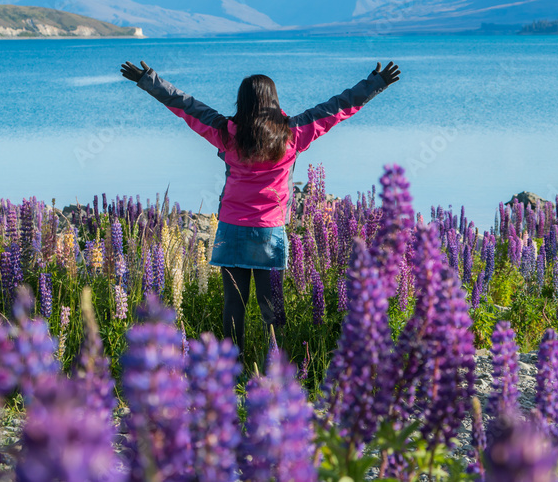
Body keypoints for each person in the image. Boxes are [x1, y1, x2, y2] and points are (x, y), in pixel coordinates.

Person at [120, 59, 401, 366]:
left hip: (231, 228)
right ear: (273, 100)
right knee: (271, 305)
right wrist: (376, 83)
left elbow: (185, 105)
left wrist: (148, 80)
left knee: (233, 303)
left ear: (242, 101)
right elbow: (337, 108)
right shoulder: (294, 133)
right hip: (269, 230)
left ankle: (231, 367)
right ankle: (276, 366)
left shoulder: (225, 132)